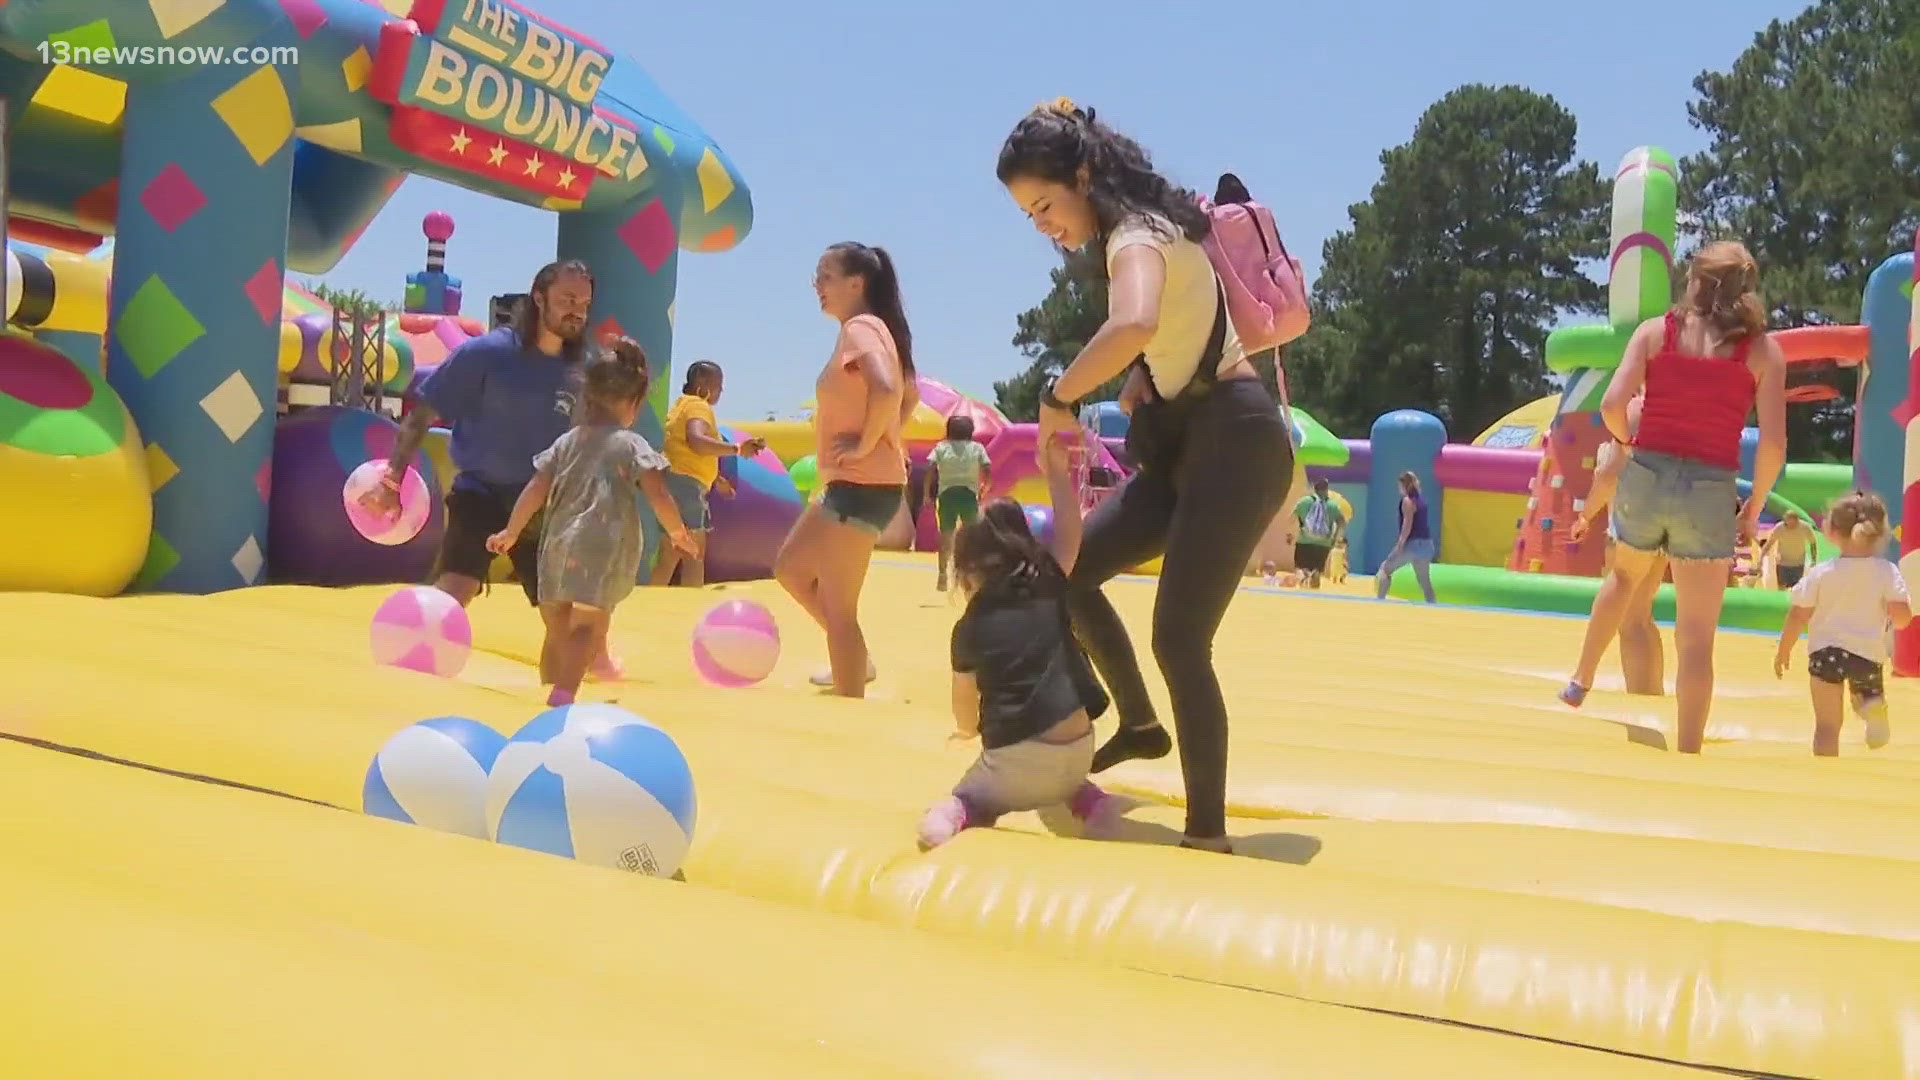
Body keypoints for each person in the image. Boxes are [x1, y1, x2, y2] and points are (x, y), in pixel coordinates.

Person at [998, 99, 1293, 853]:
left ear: (1085, 175)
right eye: (1028, 216)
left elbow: (1133, 321)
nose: (1042, 226)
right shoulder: (1149, 232)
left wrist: (1058, 397)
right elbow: (1169, 332)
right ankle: (1136, 721)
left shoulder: (1135, 236)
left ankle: (1207, 835)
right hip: (1186, 436)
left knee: (1180, 640)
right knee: (1062, 578)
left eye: (1044, 205)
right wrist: (1146, 382)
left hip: (1236, 439)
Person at [1558, 241, 1788, 755]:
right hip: (1709, 487)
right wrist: (1753, 510)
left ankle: (1580, 679)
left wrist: (1626, 443)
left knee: (1622, 579)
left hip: (1647, 473)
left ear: (1695, 281)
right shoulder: (1762, 352)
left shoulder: (1655, 334)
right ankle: (1687, 748)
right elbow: (1773, 444)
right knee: (1697, 635)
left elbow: (1615, 405)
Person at [358, 259, 621, 680]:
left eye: (585, 303)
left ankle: (558, 704)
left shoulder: (584, 368)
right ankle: (407, 677)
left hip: (546, 504)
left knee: (562, 618)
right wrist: (392, 477)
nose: (577, 311)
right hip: (481, 493)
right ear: (539, 298)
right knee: (454, 589)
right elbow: (421, 416)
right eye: (568, 299)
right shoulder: (488, 353)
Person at [920, 432, 1122, 848]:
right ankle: (1093, 806)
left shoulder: (970, 628)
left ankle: (949, 821)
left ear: (969, 571)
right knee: (1068, 784)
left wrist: (966, 730)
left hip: (1015, 763)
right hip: (1080, 749)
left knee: (970, 796)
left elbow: (964, 701)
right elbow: (1070, 531)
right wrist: (1058, 473)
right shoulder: (1050, 581)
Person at [484, 339, 696, 706]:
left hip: (558, 544)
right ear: (634, 404)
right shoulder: (631, 444)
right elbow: (658, 494)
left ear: (588, 398)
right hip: (602, 545)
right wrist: (678, 532)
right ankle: (563, 695)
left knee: (556, 629)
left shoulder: (566, 442)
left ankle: (546, 691)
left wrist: (511, 531)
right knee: (589, 626)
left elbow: (536, 488)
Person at [774, 242, 920, 697]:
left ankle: (850, 692)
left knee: (840, 610)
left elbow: (889, 386)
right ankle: (856, 658)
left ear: (856, 283)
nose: (817, 286)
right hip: (850, 483)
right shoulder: (872, 329)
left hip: (862, 483)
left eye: (826, 276)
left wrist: (867, 445)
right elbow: (909, 393)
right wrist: (886, 435)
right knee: (791, 570)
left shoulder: (862, 328)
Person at [1773, 492, 1912, 756]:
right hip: (1867, 656)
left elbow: (1798, 615)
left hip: (1825, 654)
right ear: (1881, 532)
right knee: (1868, 694)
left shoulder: (1821, 573)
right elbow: (1903, 617)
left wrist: (1784, 649)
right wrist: (1896, 621)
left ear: (1831, 532)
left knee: (1826, 726)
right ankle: (1871, 709)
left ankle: (1825, 771)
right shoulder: (1886, 572)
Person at [1567, 395, 1667, 696]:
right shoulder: (1678, 409)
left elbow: (1609, 473)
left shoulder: (1637, 409)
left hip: (1633, 524)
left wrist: (1585, 516)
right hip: (1667, 522)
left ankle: (1630, 693)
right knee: (1641, 616)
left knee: (1630, 619)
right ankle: (1651, 693)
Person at [654, 360, 765, 587]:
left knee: (671, 552)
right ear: (703, 385)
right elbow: (697, 442)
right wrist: (736, 449)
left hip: (674, 482)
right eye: (718, 385)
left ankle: (646, 604)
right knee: (695, 552)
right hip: (687, 487)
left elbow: (684, 453)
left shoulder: (680, 406)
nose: (721, 391)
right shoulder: (698, 406)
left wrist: (717, 480)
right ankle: (692, 606)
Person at [924, 414, 993, 591]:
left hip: (947, 494)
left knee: (946, 535)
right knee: (971, 535)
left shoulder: (942, 447)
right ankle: (970, 573)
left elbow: (930, 469)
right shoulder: (977, 448)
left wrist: (926, 493)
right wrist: (985, 488)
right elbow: (987, 469)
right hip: (969, 494)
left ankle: (942, 574)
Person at [1373, 472, 1436, 603]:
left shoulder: (1407, 501)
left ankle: (1379, 602)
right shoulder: (1421, 500)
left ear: (1404, 485)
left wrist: (1400, 545)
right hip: (1426, 544)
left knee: (1385, 569)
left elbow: (1407, 524)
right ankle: (1433, 606)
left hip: (1412, 544)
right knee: (1425, 582)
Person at [1293, 479, 1345, 589]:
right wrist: (1334, 538)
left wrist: (1290, 535)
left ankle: (1303, 581)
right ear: (1326, 490)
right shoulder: (1333, 506)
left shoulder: (1304, 502)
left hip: (1304, 541)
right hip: (1323, 543)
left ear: (1314, 489)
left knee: (1300, 567)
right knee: (1317, 569)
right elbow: (1341, 523)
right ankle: (1314, 587)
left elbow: (1291, 519)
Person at [1759, 509, 1816, 590]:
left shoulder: (1805, 527)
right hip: (1782, 563)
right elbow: (1769, 543)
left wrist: (1814, 559)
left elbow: (1813, 542)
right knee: (1782, 588)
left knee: (1796, 589)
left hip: (1798, 564)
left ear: (1797, 521)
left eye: (1793, 524)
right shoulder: (1779, 528)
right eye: (1788, 524)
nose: (1790, 527)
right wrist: (1761, 559)